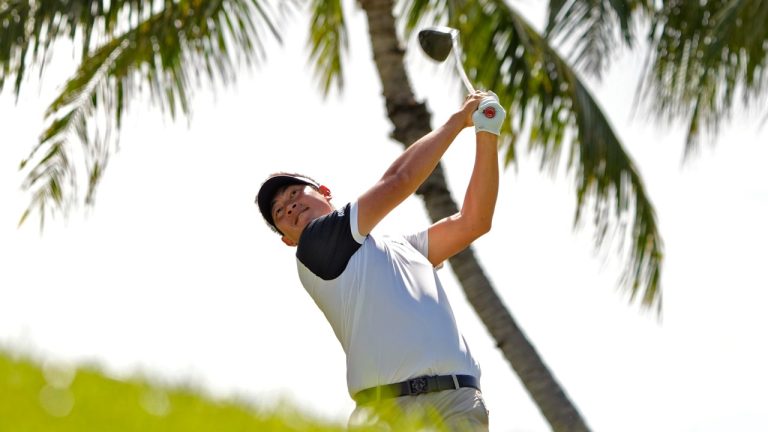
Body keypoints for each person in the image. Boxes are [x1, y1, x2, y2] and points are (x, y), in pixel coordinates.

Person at [255, 90, 505, 431]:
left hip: (456, 403)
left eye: (296, 193)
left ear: (324, 192)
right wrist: (458, 120)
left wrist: (486, 132)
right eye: (281, 212)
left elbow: (475, 221)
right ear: (288, 240)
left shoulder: (404, 248)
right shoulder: (314, 246)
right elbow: (399, 181)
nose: (291, 206)